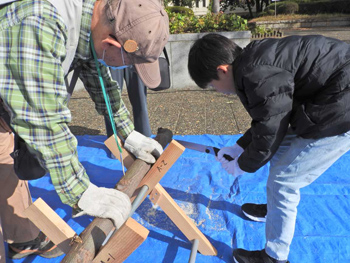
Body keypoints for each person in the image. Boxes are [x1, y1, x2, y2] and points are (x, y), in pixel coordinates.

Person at [0, 0, 169, 261]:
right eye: (128, 64)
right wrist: (80, 191)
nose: (123, 70)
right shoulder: (38, 22)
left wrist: (127, 132)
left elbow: (96, 71)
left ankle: (23, 238)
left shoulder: (91, 17)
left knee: (4, 166)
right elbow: (43, 119)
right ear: (112, 44)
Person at [188, 33, 350, 263]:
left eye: (214, 86)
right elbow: (271, 117)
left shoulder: (255, 74)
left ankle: (275, 257)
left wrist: (243, 165)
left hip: (342, 109)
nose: (219, 92)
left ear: (223, 70)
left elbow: (270, 132)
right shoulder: (252, 62)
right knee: (282, 151)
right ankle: (275, 211)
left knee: (284, 181)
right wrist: (239, 147)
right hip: (329, 96)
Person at [107, 67, 152, 138]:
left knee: (140, 99)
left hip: (135, 57)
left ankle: (144, 136)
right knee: (111, 100)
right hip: (110, 57)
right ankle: (114, 139)